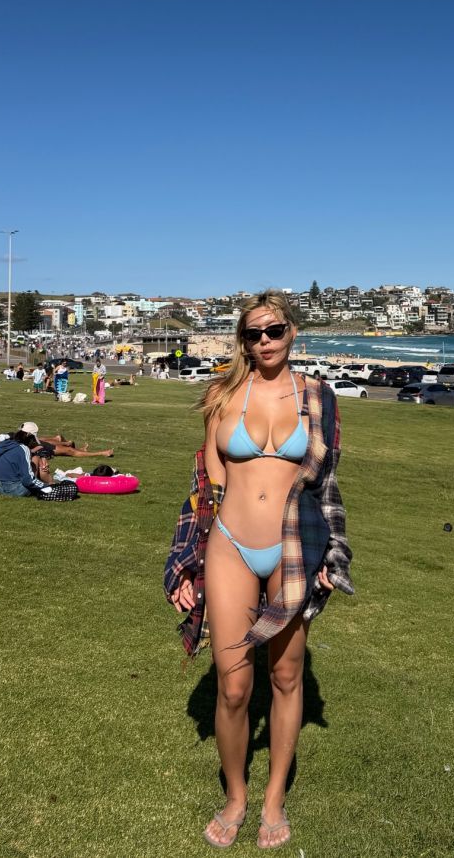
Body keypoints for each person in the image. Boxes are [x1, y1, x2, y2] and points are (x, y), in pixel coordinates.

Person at [164, 290, 353, 850]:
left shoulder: (318, 396)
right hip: (230, 546)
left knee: (287, 677)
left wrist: (331, 555)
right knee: (233, 686)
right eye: (253, 333)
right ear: (242, 340)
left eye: (274, 330)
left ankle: (273, 800)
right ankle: (236, 797)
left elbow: (326, 485)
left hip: (293, 550)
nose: (265, 341)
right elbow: (206, 488)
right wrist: (185, 564)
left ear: (292, 332)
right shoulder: (222, 395)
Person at [0, 430, 54, 497]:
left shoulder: (3, 446)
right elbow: (27, 480)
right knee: (35, 462)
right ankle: (51, 483)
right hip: (15, 490)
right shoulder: (23, 448)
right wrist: (46, 486)